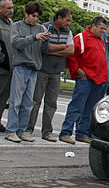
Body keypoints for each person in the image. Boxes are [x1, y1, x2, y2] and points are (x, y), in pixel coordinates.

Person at [26, 8, 74, 142]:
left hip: (56, 71)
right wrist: (62, 47)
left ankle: (47, 132)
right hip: (42, 69)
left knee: (51, 103)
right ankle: (28, 129)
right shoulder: (44, 28)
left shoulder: (68, 32)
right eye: (67, 20)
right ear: (59, 17)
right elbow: (43, 48)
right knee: (35, 101)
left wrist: (53, 49)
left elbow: (71, 50)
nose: (69, 23)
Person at [5, 1, 50, 143]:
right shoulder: (17, 26)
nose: (35, 19)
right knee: (15, 101)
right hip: (20, 67)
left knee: (27, 103)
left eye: (37, 16)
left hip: (34, 69)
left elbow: (44, 50)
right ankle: (11, 130)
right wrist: (34, 37)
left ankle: (22, 130)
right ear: (26, 14)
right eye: (33, 16)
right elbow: (16, 43)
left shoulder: (41, 27)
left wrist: (46, 40)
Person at [59, 17, 108, 145]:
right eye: (101, 28)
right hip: (85, 79)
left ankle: (82, 133)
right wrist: (77, 70)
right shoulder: (81, 37)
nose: (103, 31)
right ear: (94, 26)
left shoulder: (100, 41)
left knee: (89, 109)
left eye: (104, 29)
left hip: (98, 80)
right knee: (77, 105)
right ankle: (66, 132)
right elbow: (71, 54)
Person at [0, 0, 14, 133]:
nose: (11, 10)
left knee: (2, 98)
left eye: (12, 7)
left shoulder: (11, 23)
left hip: (10, 68)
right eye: (8, 8)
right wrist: (1, 59)